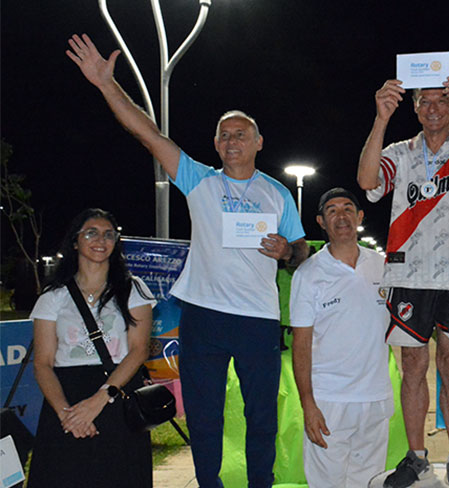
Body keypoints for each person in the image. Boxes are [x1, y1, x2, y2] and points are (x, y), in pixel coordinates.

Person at [67, 34, 309, 488]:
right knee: (203, 414)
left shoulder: (277, 193)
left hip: (258, 318)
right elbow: (147, 133)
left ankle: (262, 482)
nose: (232, 140)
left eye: (241, 134)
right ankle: (208, 483)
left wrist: (286, 251)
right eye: (224, 135)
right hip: (204, 316)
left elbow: (302, 253)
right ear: (216, 144)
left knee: (262, 415)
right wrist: (105, 84)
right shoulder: (199, 179)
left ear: (259, 141)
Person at [357, 77, 449, 488]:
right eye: (425, 102)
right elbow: (368, 183)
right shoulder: (399, 151)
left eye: (444, 101)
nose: (434, 108)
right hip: (408, 273)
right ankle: (417, 456)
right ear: (416, 108)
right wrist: (380, 118)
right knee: (412, 368)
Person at [29, 209, 157, 487]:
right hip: (66, 398)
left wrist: (100, 399)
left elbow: (138, 351)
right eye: (91, 232)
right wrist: (67, 415)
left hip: (117, 392)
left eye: (109, 234)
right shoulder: (53, 296)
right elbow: (43, 363)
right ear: (75, 242)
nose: (101, 239)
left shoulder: (133, 289)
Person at [290, 188, 393, 487]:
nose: (341, 215)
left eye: (348, 208)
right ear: (321, 222)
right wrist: (308, 403)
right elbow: (301, 345)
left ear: (360, 217)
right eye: (332, 210)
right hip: (329, 402)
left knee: (368, 481)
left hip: (375, 399)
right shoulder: (309, 274)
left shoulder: (383, 267)